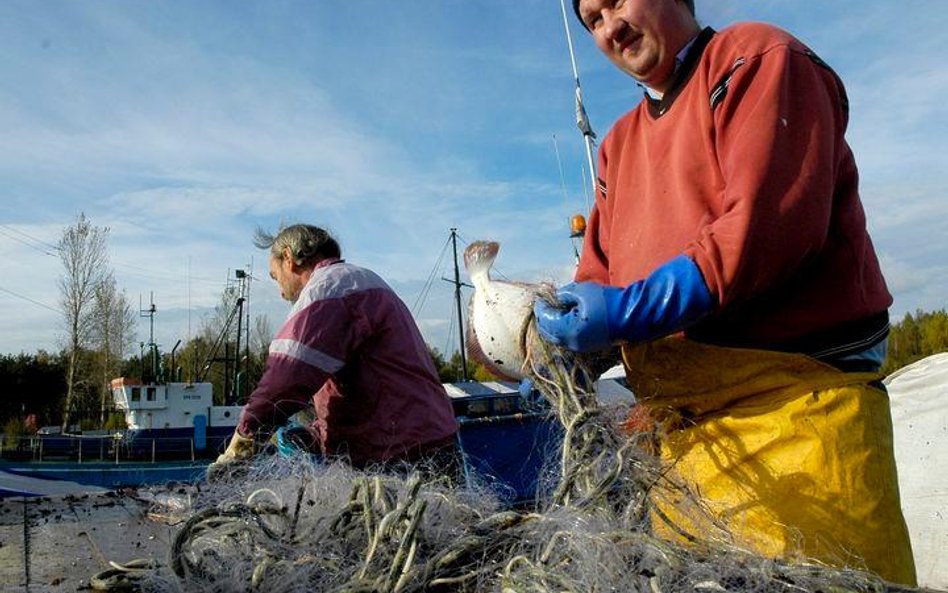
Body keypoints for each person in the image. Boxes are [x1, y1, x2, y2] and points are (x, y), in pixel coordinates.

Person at [534, 0, 916, 584]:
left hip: (799, 424)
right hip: (684, 452)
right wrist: (556, 350)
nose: (610, 27)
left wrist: (632, 310)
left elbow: (766, 228)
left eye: (618, 2)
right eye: (592, 19)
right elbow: (599, 277)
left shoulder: (756, 58)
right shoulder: (616, 145)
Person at [210, 224, 460, 480]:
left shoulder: (327, 290)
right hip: (432, 446)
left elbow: (286, 379)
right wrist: (316, 434)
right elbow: (376, 385)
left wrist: (242, 443)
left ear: (288, 258)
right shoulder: (364, 282)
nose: (279, 290)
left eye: (275, 276)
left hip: (400, 461)